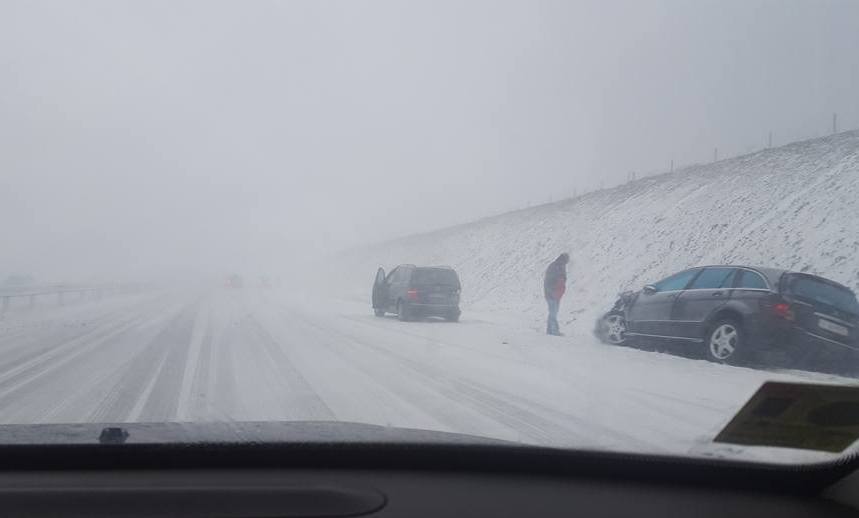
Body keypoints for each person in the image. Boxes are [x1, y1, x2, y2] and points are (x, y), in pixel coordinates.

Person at [543, 253, 569, 336]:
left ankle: (550, 330)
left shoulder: (560, 266)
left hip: (556, 293)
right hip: (552, 293)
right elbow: (549, 281)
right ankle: (554, 331)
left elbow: (562, 279)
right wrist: (552, 292)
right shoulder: (555, 267)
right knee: (553, 312)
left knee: (553, 312)